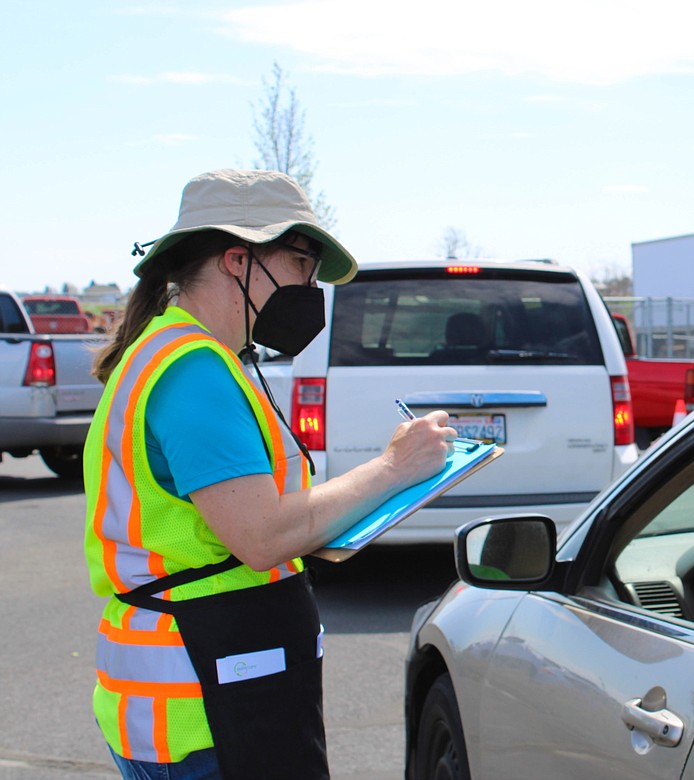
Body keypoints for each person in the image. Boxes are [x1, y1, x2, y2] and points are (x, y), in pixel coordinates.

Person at [83, 169, 456, 779]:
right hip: (205, 705)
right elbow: (261, 536)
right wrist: (394, 468)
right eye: (303, 264)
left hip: (215, 687)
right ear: (238, 260)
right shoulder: (193, 372)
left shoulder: (183, 354)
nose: (311, 285)